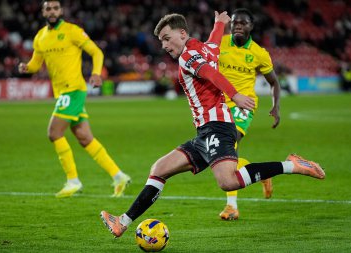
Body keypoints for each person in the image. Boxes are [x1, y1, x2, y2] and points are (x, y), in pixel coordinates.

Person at [100, 11, 325, 238]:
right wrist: (219, 23)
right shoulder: (204, 48)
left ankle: (292, 165)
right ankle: (122, 222)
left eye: (167, 38)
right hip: (204, 133)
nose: (164, 45)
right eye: (161, 41)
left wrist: (235, 95)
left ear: (182, 33)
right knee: (159, 170)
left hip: (218, 126)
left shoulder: (187, 56)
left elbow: (210, 73)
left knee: (228, 181)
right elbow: (215, 42)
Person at [18, 0, 131, 198]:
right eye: (48, 8)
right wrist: (27, 67)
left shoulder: (72, 31)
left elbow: (96, 52)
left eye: (55, 8)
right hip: (62, 92)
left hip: (73, 89)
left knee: (54, 133)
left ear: (61, 10)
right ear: (43, 12)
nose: (52, 12)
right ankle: (119, 176)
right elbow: (36, 63)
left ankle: (73, 180)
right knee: (85, 138)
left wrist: (96, 73)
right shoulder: (40, 37)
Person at [218, 8, 281, 220]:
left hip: (243, 106)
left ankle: (231, 207)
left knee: (228, 148)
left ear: (250, 27)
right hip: (219, 106)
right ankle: (261, 173)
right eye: (234, 22)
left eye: (242, 23)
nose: (237, 26)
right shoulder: (220, 43)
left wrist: (275, 106)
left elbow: (274, 82)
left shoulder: (259, 53)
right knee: (220, 156)